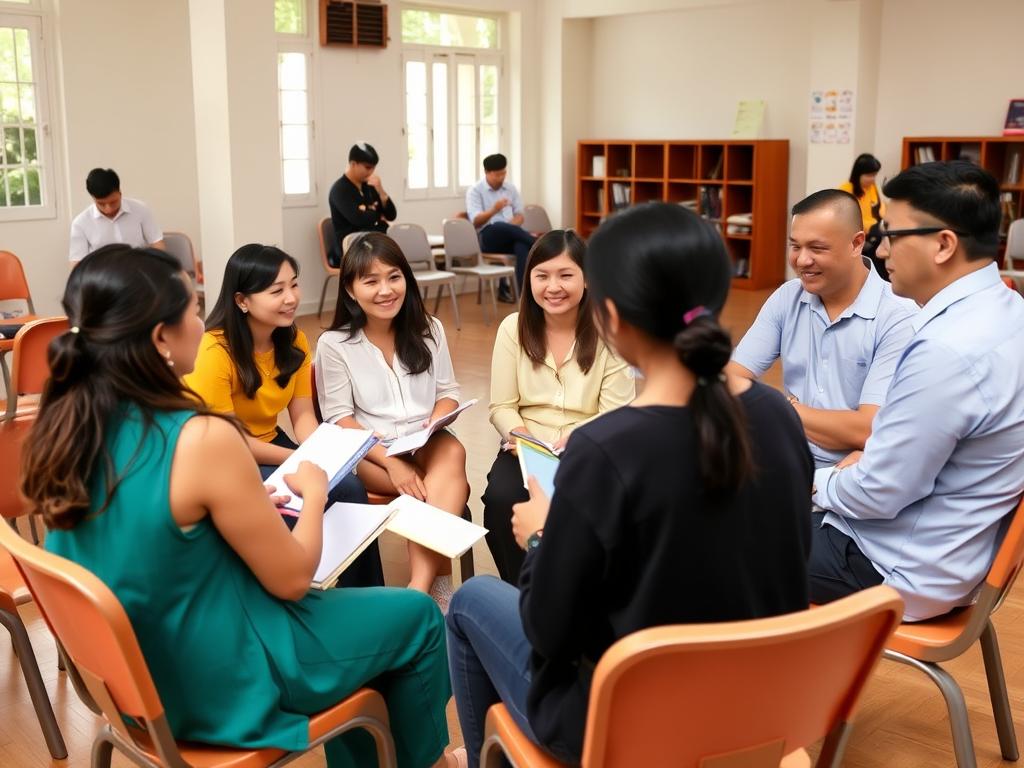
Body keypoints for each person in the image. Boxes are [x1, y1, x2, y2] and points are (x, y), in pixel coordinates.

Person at [20, 244, 460, 768]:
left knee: (377, 628)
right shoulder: (201, 437)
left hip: (134, 682)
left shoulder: (65, 429)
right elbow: (294, 579)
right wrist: (315, 493)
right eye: (190, 307)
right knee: (416, 616)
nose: (200, 321)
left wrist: (241, 506)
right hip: (220, 678)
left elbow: (153, 526)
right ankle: (429, 762)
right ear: (162, 337)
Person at [446, 202, 814, 765]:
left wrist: (542, 537)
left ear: (609, 315)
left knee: (470, 599)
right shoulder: (778, 415)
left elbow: (550, 630)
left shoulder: (610, 449)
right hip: (760, 706)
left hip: (629, 725)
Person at [810, 160, 1024, 622]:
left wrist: (817, 481)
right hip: (956, 556)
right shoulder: (1010, 310)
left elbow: (877, 493)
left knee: (718, 534)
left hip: (888, 568)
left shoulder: (947, 350)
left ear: (943, 244)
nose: (880, 250)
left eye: (891, 235)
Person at [184, 243, 383, 588]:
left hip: (270, 444)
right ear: (242, 300)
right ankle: (303, 587)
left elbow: (304, 416)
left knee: (349, 486)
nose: (291, 297)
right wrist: (298, 460)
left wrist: (323, 455)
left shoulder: (295, 342)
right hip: (224, 455)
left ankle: (363, 592)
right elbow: (230, 442)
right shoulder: (214, 351)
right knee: (299, 497)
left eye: (294, 284)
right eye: (277, 290)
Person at [315, 232, 471, 607]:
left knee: (451, 454)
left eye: (394, 277)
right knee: (428, 487)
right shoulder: (334, 345)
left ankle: (418, 591)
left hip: (426, 441)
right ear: (351, 291)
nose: (386, 290)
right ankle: (435, 589)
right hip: (373, 453)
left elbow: (448, 391)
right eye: (371, 281)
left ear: (406, 279)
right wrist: (392, 461)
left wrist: (433, 421)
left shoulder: (428, 328)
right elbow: (340, 419)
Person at [483, 229, 634, 584]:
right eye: (542, 275)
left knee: (588, 506)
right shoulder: (512, 328)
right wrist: (521, 438)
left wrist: (576, 437)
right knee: (501, 498)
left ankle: (569, 593)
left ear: (587, 279)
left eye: (566, 275)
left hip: (592, 448)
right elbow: (501, 406)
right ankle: (520, 592)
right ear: (529, 279)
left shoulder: (609, 331)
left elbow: (617, 412)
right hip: (526, 447)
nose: (553, 287)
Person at [728, 189, 916, 469]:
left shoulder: (897, 317)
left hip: (848, 477)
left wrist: (784, 408)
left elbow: (868, 429)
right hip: (784, 456)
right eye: (795, 246)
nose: (802, 260)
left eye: (817, 248)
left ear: (856, 244)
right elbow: (729, 380)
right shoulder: (787, 297)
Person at [466, 153, 535, 302]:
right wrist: (494, 210)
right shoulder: (475, 191)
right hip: (487, 237)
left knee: (522, 246)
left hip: (510, 233)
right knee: (498, 225)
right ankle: (537, 243)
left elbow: (520, 215)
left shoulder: (510, 188)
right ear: (487, 173)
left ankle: (521, 295)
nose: (501, 177)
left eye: (503, 173)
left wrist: (509, 228)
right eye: (497, 174)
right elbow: (476, 221)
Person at [68, 168, 164, 262]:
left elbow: (157, 243)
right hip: (103, 274)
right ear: (93, 198)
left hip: (138, 268)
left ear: (120, 193)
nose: (108, 209)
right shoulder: (80, 223)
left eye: (113, 202)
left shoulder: (140, 209)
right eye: (101, 204)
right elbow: (77, 262)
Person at [328, 142, 397, 267]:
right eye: (367, 167)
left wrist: (381, 191)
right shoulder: (340, 189)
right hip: (350, 246)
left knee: (396, 241)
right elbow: (359, 220)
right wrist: (378, 217)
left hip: (371, 243)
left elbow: (391, 215)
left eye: (373, 168)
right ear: (353, 164)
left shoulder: (369, 186)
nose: (371, 172)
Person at [839, 153, 887, 279]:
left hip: (874, 229)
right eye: (869, 175)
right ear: (858, 174)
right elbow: (847, 217)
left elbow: (880, 209)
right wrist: (873, 225)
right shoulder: (846, 189)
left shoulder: (872, 187)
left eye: (874, 175)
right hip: (860, 231)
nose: (872, 179)